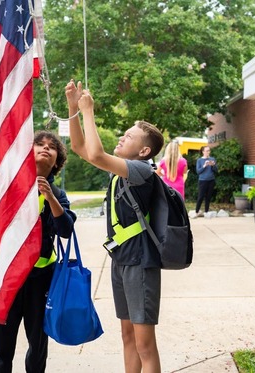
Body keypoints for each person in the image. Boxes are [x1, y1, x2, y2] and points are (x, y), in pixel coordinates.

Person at [65, 79, 164, 373]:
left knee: (145, 344)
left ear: (144, 151)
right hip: (122, 260)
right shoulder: (119, 172)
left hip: (141, 263)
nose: (121, 138)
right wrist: (74, 109)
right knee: (127, 336)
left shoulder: (141, 171)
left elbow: (95, 153)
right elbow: (81, 148)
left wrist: (89, 111)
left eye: (129, 136)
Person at [0, 130, 76, 373]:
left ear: (57, 161)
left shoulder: (57, 194)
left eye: (52, 146)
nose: (45, 148)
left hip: (41, 278)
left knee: (38, 344)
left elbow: (66, 230)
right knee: (1, 347)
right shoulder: (9, 183)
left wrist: (50, 197)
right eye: (39, 144)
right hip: (9, 277)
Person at [194, 145, 217, 218]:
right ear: (203, 152)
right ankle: (196, 211)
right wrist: (204, 165)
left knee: (208, 197)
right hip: (202, 180)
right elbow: (198, 171)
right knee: (200, 196)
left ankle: (206, 211)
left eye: (209, 150)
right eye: (206, 151)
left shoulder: (212, 159)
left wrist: (213, 165)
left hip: (211, 180)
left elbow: (216, 170)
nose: (208, 152)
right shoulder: (199, 160)